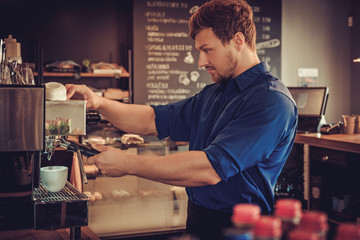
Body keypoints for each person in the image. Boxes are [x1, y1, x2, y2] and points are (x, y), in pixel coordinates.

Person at [66, 0, 298, 239]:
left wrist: (127, 164)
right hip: (198, 217)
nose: (201, 62)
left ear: (238, 41)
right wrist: (99, 103)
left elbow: (210, 168)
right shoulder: (214, 93)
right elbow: (152, 119)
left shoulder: (271, 100)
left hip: (242, 227)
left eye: (207, 50)